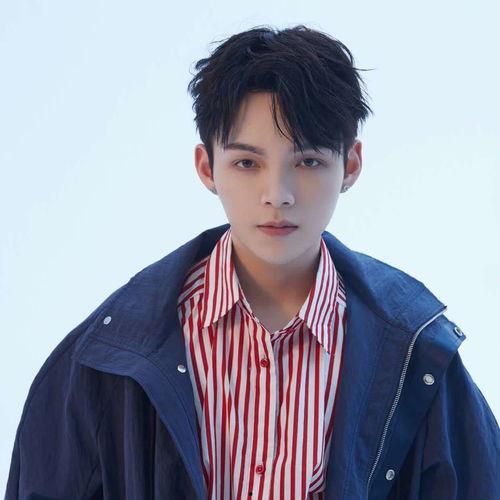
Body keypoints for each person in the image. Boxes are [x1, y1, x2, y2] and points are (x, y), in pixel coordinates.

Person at [5, 24, 499, 500]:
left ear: (350, 166)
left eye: (308, 161)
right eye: (247, 163)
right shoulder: (108, 353)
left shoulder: (416, 352)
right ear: (207, 167)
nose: (277, 194)